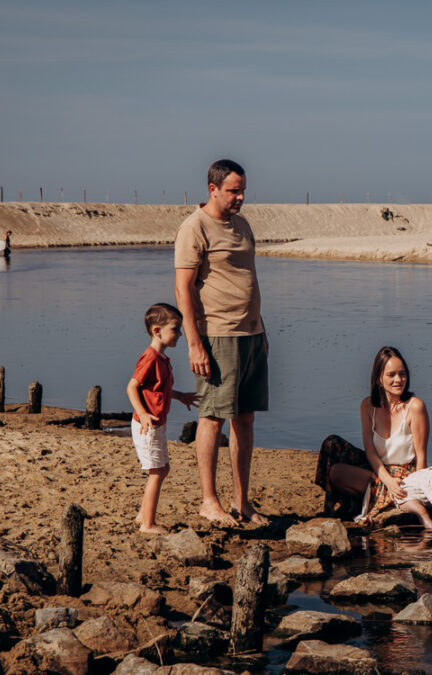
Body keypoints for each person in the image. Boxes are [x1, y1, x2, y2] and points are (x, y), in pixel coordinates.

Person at [175, 159, 270, 526]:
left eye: (243, 189)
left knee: (245, 420)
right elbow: (183, 288)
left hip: (251, 335)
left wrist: (262, 330)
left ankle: (241, 502)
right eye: (233, 190)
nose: (240, 196)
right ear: (212, 189)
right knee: (212, 418)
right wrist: (194, 342)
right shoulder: (194, 227)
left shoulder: (242, 225)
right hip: (217, 335)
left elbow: (250, 279)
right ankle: (208, 501)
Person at [315, 346, 430, 523]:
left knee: (338, 473)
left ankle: (370, 500)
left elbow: (421, 457)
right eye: (391, 375)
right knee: (332, 445)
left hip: (404, 475)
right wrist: (387, 480)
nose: (398, 380)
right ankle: (341, 505)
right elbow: (370, 450)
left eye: (402, 374)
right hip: (378, 471)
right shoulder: (368, 406)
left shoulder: (415, 406)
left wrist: (419, 490)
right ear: (378, 378)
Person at [125, 303, 200, 534]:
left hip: (158, 424)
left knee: (163, 469)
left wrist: (181, 397)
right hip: (147, 426)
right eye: (176, 329)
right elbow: (131, 387)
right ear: (158, 331)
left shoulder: (162, 359)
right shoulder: (150, 358)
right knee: (157, 472)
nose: (180, 334)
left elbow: (158, 390)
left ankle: (142, 515)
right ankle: (148, 524)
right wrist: (144, 413)